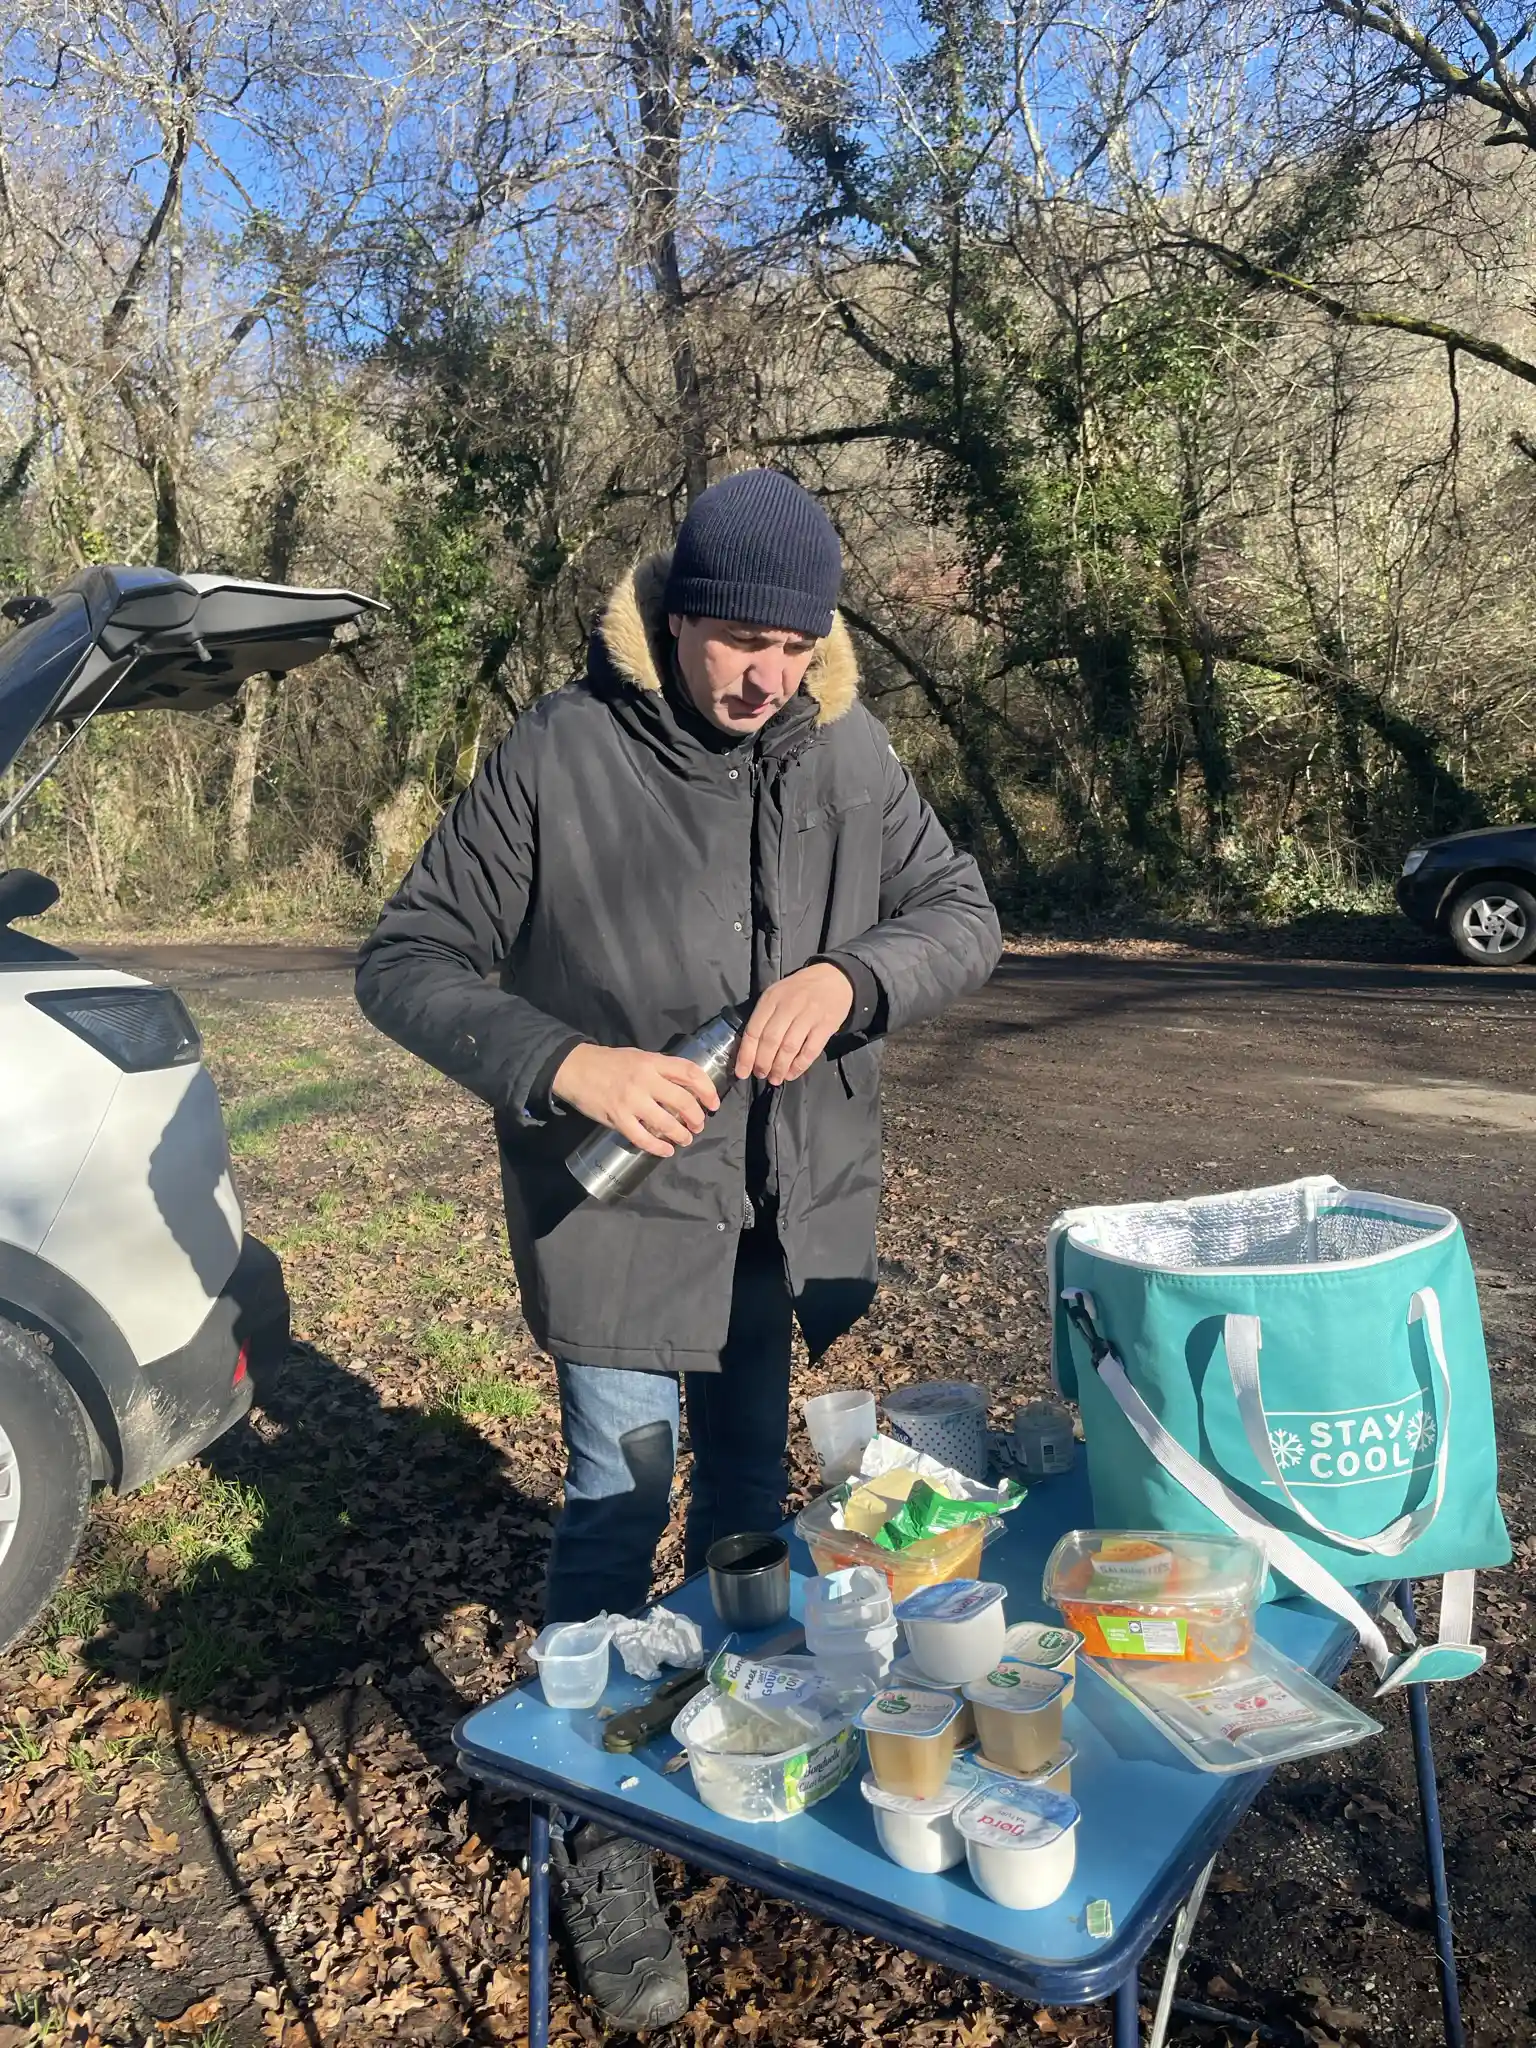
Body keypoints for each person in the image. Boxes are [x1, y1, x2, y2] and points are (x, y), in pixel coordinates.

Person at [354, 467, 1001, 2029]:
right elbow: (405, 959)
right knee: (613, 1505)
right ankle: (591, 1835)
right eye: (735, 639)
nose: (762, 675)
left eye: (793, 645)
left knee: (742, 1515)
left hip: (785, 1220)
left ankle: (726, 1751)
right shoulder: (563, 751)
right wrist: (565, 1065)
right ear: (675, 615)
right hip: (627, 1219)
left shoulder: (846, 750)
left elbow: (963, 911)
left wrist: (854, 981)